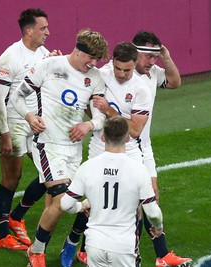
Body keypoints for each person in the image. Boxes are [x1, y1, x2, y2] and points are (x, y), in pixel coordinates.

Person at [11, 28, 108, 267]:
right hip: (47, 144)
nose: (94, 64)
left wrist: (89, 124)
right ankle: (38, 252)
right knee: (64, 199)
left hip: (73, 150)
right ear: (78, 51)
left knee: (57, 206)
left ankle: (36, 249)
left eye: (97, 60)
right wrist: (30, 117)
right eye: (91, 58)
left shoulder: (95, 78)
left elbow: (101, 117)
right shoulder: (50, 65)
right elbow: (17, 97)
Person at [60, 42, 153, 267]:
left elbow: (135, 130)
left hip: (129, 150)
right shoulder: (100, 75)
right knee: (94, 200)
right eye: (119, 69)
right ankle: (73, 241)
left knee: (135, 205)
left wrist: (109, 110)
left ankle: (132, 249)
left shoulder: (142, 89)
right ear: (112, 62)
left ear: (135, 65)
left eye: (127, 70)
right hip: (100, 145)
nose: (121, 74)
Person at [0, 8, 61, 251]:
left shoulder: (42, 53)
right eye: (43, 28)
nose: (48, 32)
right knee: (12, 178)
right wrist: (4, 133)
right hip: (15, 122)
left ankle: (17, 216)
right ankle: (2, 235)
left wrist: (54, 63)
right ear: (29, 30)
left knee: (50, 172)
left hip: (36, 121)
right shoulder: (10, 57)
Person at [60, 116, 164, 267]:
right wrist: (158, 227)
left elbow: (65, 204)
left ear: (103, 137)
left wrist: (81, 206)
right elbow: (153, 213)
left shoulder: (87, 167)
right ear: (127, 138)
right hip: (123, 247)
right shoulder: (139, 170)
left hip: (95, 245)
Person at [132, 31, 192, 267]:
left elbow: (175, 82)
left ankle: (162, 255)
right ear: (135, 52)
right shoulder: (117, 74)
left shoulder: (154, 74)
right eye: (149, 56)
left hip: (144, 148)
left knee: (150, 199)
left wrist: (165, 58)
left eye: (155, 56)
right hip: (122, 148)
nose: (152, 61)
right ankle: (83, 246)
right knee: (128, 204)